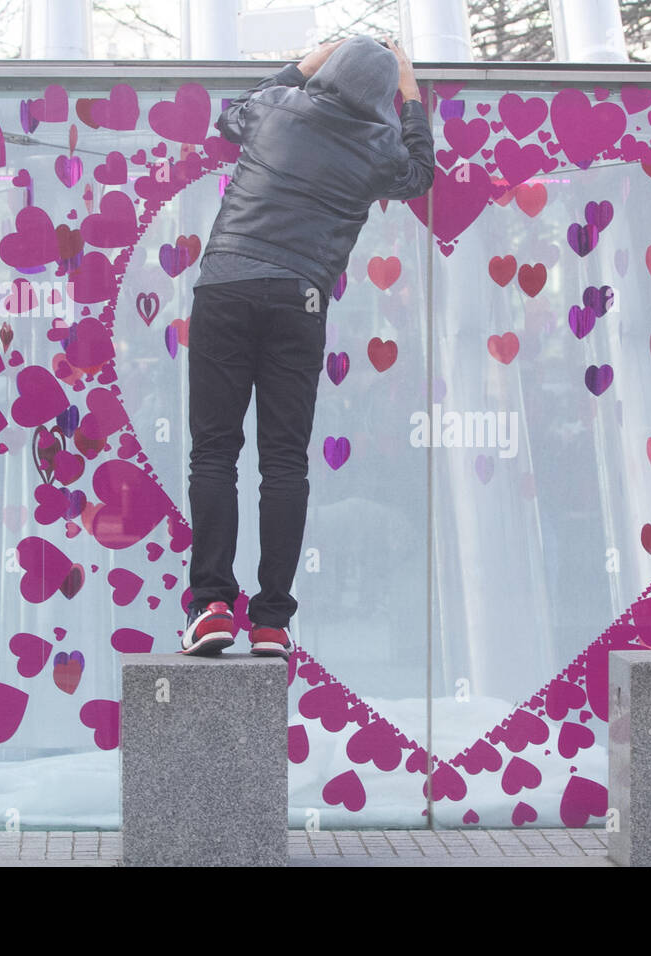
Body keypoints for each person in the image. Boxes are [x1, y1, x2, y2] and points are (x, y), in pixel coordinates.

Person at [181, 35, 434, 657]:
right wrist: (408, 88)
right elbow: (422, 174)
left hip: (226, 286)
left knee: (214, 451)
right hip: (299, 299)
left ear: (329, 73)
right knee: (284, 462)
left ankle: (212, 605)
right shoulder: (379, 147)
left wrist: (306, 62)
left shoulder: (275, 109)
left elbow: (229, 111)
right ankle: (271, 622)